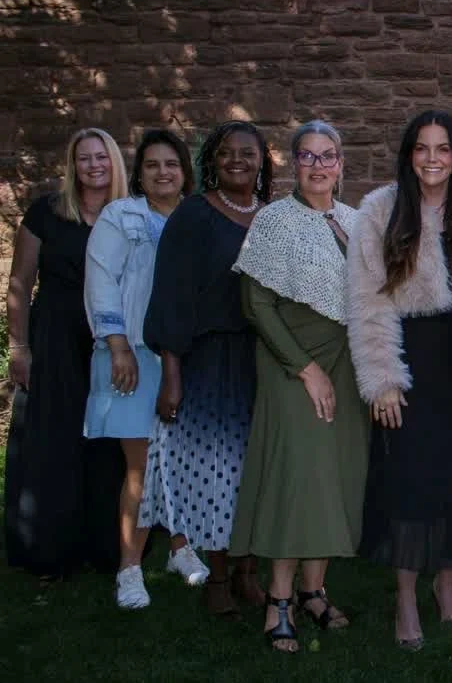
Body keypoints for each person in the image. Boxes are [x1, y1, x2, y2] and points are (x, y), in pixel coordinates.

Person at [349, 110, 452, 650]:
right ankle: (406, 597)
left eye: (443, 148)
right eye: (422, 148)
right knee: (407, 478)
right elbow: (367, 301)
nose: (433, 159)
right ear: (409, 156)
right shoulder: (380, 211)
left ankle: (447, 587)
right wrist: (382, 377)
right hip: (409, 356)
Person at [229, 121, 370, 652]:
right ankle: (279, 599)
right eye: (307, 156)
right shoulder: (274, 221)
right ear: (293, 163)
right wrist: (305, 368)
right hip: (292, 361)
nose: (317, 165)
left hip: (347, 365)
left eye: (327, 155)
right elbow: (256, 305)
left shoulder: (356, 222)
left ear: (340, 164)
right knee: (296, 476)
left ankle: (314, 590)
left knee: (334, 475)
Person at [140, 120, 274, 614]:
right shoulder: (194, 215)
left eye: (247, 153)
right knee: (218, 472)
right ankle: (218, 577)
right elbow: (171, 296)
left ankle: (248, 572)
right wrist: (171, 375)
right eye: (226, 152)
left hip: (264, 358)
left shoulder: (274, 217)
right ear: (213, 161)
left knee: (258, 469)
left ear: (262, 162)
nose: (237, 160)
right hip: (209, 360)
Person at [83, 129, 208, 608]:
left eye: (171, 164)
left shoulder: (198, 216)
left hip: (188, 357)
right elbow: (101, 281)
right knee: (141, 464)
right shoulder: (121, 216)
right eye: (152, 164)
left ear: (185, 172)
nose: (162, 172)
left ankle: (180, 547)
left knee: (182, 458)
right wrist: (117, 346)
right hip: (133, 354)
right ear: (139, 173)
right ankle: (129, 569)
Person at [5, 128, 128, 578]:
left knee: (108, 440)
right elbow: (20, 283)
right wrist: (19, 347)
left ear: (114, 162)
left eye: (101, 157)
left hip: (111, 337)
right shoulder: (47, 212)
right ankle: (49, 547)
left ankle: (105, 545)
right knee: (54, 438)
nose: (94, 165)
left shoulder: (129, 216)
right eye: (84, 158)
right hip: (55, 336)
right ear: (72, 165)